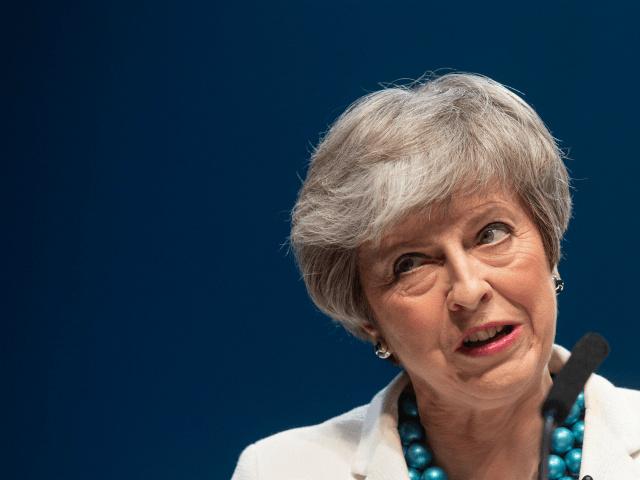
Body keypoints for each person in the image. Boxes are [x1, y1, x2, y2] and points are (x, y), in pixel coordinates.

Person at [231, 74, 640, 480]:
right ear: (368, 319)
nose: (468, 288)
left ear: (550, 252)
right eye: (409, 263)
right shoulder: (277, 470)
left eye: (490, 234)